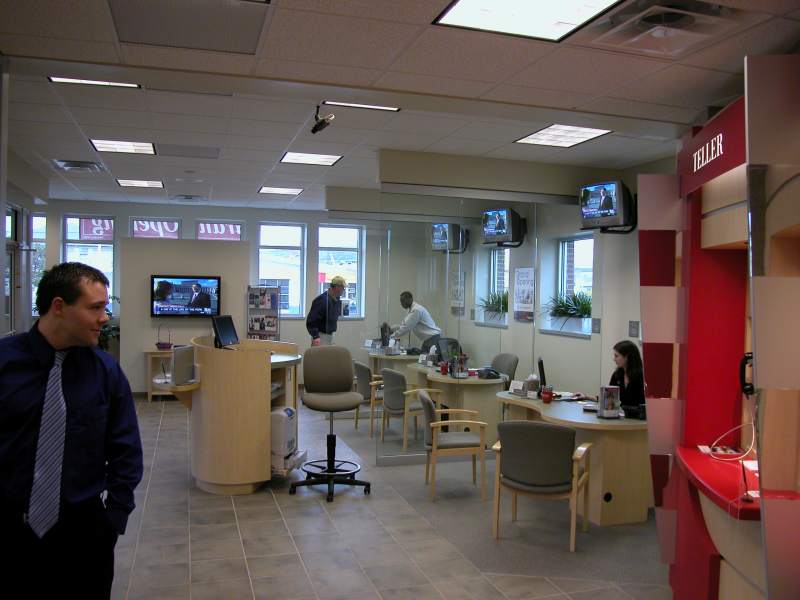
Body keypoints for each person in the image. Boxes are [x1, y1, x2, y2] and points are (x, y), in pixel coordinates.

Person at [0, 262, 143, 598]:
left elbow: (126, 450)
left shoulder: (105, 372)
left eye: (105, 308)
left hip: (84, 535)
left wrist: (114, 518)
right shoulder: (4, 364)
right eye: (95, 308)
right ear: (59, 307)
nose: (104, 318)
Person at [575, 340, 645, 407]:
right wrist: (586, 397)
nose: (614, 359)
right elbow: (608, 397)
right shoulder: (617, 375)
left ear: (627, 357)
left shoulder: (642, 377)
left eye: (616, 356)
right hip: (619, 416)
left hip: (637, 418)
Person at [306, 275, 349, 346]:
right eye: (342, 288)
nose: (343, 290)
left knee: (329, 356)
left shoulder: (336, 300)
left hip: (330, 335)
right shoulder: (322, 300)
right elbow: (311, 321)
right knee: (320, 357)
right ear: (336, 287)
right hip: (320, 336)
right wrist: (315, 336)